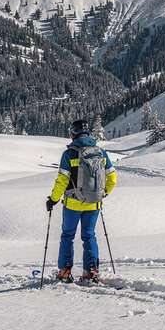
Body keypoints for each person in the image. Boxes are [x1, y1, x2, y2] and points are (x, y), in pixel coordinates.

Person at [45, 119, 117, 283]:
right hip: (94, 203)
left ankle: (64, 271)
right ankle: (91, 272)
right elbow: (112, 177)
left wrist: (53, 200)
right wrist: (103, 193)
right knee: (89, 236)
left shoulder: (69, 153)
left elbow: (62, 180)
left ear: (73, 133)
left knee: (67, 236)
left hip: (73, 204)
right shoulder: (100, 152)